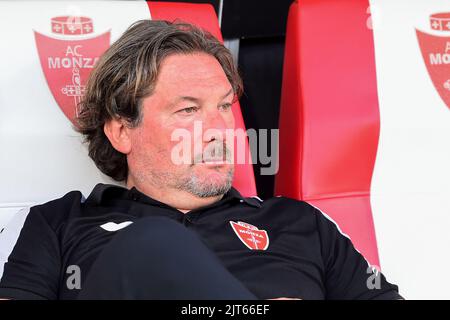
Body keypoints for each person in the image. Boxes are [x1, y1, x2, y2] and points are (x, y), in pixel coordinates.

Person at [0, 20, 402, 300]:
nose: (219, 128)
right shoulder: (54, 226)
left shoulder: (300, 223)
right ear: (121, 131)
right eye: (188, 110)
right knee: (152, 243)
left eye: (225, 106)